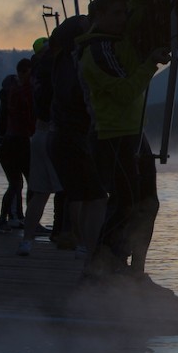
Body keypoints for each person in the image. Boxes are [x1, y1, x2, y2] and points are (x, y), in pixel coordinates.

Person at [76, 0, 169, 279]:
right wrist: (150, 64)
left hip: (133, 133)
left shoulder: (118, 40)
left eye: (124, 13)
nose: (123, 19)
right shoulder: (97, 52)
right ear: (99, 14)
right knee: (124, 206)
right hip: (112, 138)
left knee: (148, 204)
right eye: (116, 14)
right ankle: (100, 267)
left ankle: (136, 269)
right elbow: (126, 92)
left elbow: (136, 3)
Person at [47, 14, 108, 271]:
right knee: (96, 198)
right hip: (74, 138)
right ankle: (92, 254)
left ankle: (83, 247)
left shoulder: (59, 62)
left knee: (81, 195)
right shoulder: (76, 64)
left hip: (60, 137)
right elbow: (84, 101)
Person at [16, 38, 61, 256]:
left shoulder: (34, 76)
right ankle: (80, 243)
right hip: (56, 134)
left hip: (38, 134)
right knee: (77, 193)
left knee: (40, 193)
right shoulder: (56, 70)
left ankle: (26, 241)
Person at [0, 59, 35, 233]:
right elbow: (29, 116)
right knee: (25, 182)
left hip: (7, 141)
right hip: (18, 140)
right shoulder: (22, 92)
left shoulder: (8, 94)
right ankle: (22, 220)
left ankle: (12, 218)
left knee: (17, 182)